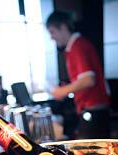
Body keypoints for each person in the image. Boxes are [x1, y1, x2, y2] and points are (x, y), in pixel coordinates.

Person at [46, 11, 110, 139]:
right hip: (94, 109)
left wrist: (61, 91)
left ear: (63, 27)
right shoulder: (76, 45)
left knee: (88, 153)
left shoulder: (77, 46)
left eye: (52, 32)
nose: (51, 37)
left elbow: (88, 80)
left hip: (93, 109)